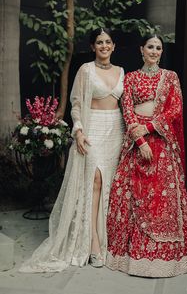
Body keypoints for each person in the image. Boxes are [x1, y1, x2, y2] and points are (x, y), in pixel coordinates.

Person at [19, 28, 124, 272]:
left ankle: (110, 239)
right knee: (95, 181)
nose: (104, 46)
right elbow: (76, 105)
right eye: (99, 42)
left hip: (116, 129)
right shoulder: (85, 70)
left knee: (110, 183)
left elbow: (126, 104)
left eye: (108, 42)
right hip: (93, 127)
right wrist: (78, 130)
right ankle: (93, 243)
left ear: (114, 46)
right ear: (92, 46)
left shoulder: (122, 72)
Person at [106, 33, 187, 277]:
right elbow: (127, 111)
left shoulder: (170, 77)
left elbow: (175, 109)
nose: (154, 51)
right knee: (134, 197)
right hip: (135, 142)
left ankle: (169, 257)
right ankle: (133, 255)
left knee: (164, 198)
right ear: (141, 50)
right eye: (150, 47)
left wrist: (149, 128)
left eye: (158, 48)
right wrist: (140, 141)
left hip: (161, 141)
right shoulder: (130, 78)